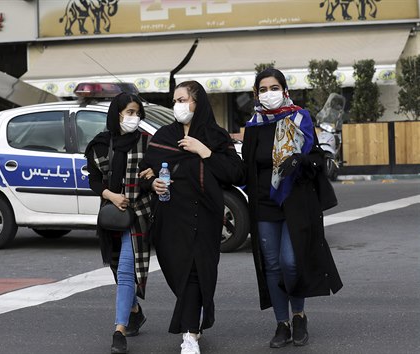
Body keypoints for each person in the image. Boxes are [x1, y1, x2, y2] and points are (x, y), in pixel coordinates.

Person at [241, 68, 343, 348]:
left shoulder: (300, 117)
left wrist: (300, 160)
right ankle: (281, 324)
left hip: (295, 202)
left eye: (274, 88)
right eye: (262, 89)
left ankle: (299, 315)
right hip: (263, 204)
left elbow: (316, 158)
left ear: (284, 90)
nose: (268, 94)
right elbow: (245, 168)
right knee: (272, 265)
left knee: (290, 261)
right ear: (256, 94)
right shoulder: (254, 124)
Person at [141, 81, 243, 354]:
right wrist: (153, 184)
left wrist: (204, 151)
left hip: (205, 216)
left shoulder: (216, 136)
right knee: (179, 273)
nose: (178, 106)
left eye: (183, 99)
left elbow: (235, 173)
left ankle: (189, 334)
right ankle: (191, 323)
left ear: (198, 103)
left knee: (197, 272)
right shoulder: (164, 135)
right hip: (170, 218)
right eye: (174, 100)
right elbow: (145, 170)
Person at [84, 92, 154, 354]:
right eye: (128, 113)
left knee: (126, 271)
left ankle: (119, 331)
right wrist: (111, 196)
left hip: (138, 216)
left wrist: (152, 175)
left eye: (137, 113)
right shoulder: (100, 145)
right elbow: (93, 180)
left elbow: (155, 174)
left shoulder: (147, 143)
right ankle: (134, 310)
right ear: (117, 114)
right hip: (111, 216)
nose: (133, 118)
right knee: (116, 269)